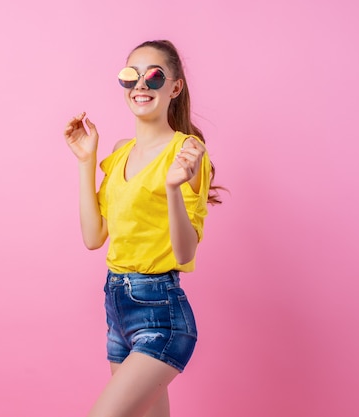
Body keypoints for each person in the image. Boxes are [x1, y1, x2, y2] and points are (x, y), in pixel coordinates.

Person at [63, 40, 222, 417]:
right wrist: (87, 161)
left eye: (154, 76)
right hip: (118, 308)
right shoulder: (120, 151)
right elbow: (93, 237)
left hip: (160, 313)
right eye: (130, 76)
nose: (141, 85)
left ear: (174, 88)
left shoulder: (187, 151)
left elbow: (185, 253)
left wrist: (172, 186)